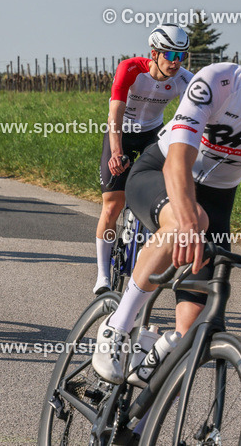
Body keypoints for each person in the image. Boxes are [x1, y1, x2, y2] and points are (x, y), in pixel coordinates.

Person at [91, 12, 241, 384]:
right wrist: (188, 219)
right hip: (161, 175)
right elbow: (178, 160)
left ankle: (142, 402)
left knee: (192, 333)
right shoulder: (216, 82)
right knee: (187, 223)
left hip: (218, 200)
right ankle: (118, 327)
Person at [92, 24, 193, 294]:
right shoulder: (131, 69)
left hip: (152, 135)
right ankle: (102, 275)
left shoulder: (185, 80)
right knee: (113, 205)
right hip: (122, 133)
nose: (176, 62)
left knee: (157, 205)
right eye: (171, 55)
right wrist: (116, 152)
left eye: (182, 56)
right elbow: (115, 114)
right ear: (155, 53)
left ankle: (143, 267)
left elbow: (190, 121)